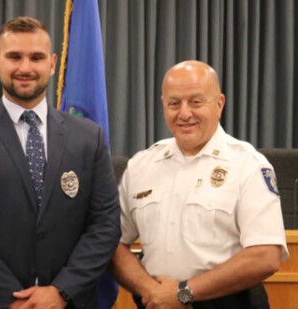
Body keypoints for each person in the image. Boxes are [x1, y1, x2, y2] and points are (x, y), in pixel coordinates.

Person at [0, 16, 121, 309]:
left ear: (52, 63)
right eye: (14, 57)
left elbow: (105, 225)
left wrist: (61, 291)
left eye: (36, 57)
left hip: (66, 302)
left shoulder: (89, 137)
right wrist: (14, 301)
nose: (25, 68)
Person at [111, 60, 289, 309]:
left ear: (219, 104)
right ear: (163, 104)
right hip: (155, 302)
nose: (184, 113)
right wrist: (151, 291)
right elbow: (113, 242)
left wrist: (183, 293)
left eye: (196, 102)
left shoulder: (247, 165)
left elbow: (265, 256)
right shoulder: (141, 165)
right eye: (174, 103)